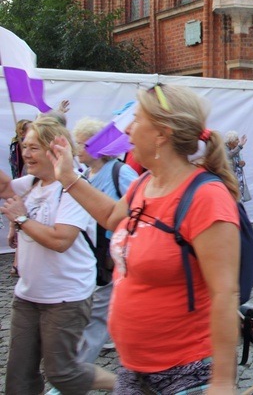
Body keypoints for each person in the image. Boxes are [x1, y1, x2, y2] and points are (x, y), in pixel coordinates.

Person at [48, 84, 241, 393]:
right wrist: (69, 177)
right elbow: (112, 217)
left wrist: (222, 382)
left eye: (136, 120)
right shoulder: (143, 184)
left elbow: (225, 294)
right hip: (134, 367)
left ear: (161, 134)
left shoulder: (206, 197)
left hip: (185, 373)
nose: (127, 131)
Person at [0, 116, 116, 394]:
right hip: (28, 294)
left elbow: (61, 240)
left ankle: (125, 385)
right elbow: (3, 187)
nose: (26, 154)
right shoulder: (31, 184)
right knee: (19, 377)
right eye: (24, 147)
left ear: (54, 151)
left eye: (34, 148)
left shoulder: (72, 189)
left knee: (63, 373)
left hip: (66, 297)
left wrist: (22, 219)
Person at [72, 117, 138, 366]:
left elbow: (140, 208)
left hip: (116, 255)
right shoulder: (86, 174)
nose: (76, 149)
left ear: (94, 146)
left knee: (97, 311)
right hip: (93, 253)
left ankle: (73, 372)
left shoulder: (120, 171)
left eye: (80, 144)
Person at [8, 119, 31, 277]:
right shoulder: (20, 146)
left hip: (25, 186)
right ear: (22, 132)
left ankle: (17, 263)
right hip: (25, 188)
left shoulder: (18, 145)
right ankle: (17, 263)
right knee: (23, 228)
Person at [225, 130, 251, 202]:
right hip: (229, 179)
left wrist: (242, 163)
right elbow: (229, 155)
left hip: (237, 179)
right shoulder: (224, 149)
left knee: (237, 199)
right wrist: (240, 145)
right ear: (231, 141)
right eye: (236, 139)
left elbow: (237, 162)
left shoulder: (235, 149)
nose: (238, 141)